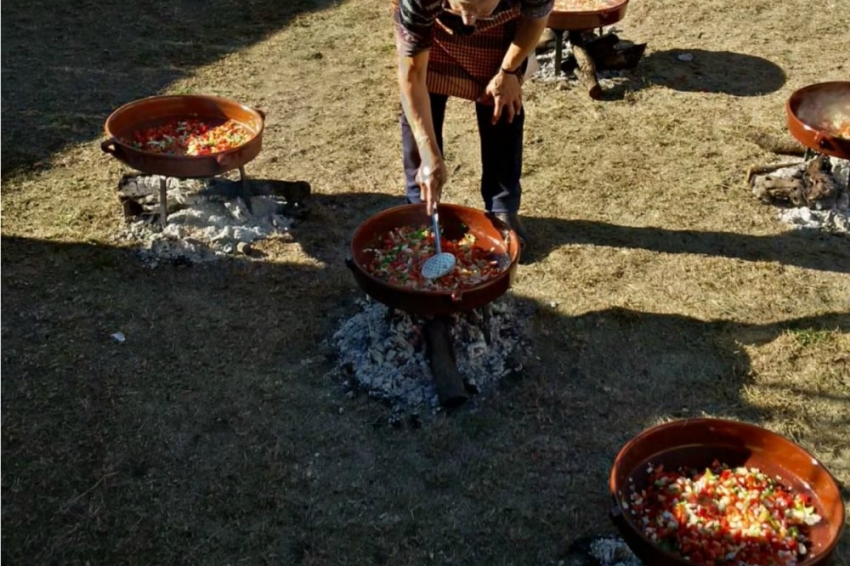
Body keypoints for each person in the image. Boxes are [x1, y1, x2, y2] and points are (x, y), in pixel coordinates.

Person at [392, 0, 554, 252]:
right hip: (433, 26)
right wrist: (429, 153)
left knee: (503, 104)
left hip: (502, 34)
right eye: (462, 8)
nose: (469, 22)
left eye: (479, 10)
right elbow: (413, 76)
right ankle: (420, 207)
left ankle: (503, 206)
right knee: (422, 109)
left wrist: (509, 72)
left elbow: (535, 20)